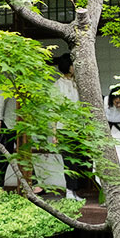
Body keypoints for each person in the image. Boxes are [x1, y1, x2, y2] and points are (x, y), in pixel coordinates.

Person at [49, 54, 84, 200]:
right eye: (72, 64)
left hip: (79, 127)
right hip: (64, 128)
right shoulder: (57, 86)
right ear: (67, 66)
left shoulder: (78, 83)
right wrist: (54, 133)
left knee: (78, 161)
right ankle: (69, 191)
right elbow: (53, 111)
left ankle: (74, 191)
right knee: (69, 161)